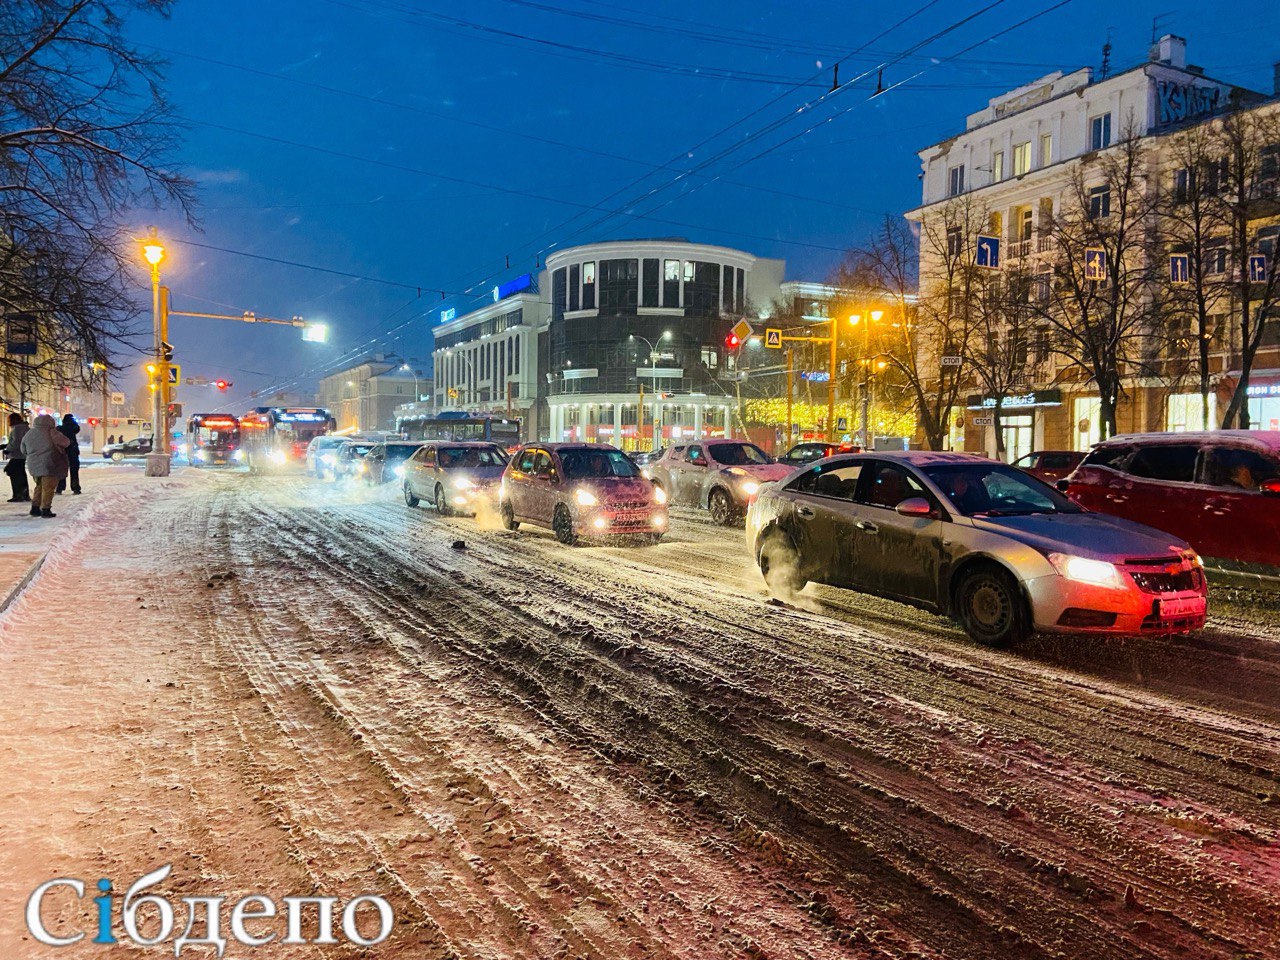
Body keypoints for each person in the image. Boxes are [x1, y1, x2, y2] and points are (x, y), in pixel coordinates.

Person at [21, 414, 69, 518]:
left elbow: (23, 449)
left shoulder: (29, 433)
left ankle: (35, 508)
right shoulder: (52, 432)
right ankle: (46, 509)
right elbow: (66, 442)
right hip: (50, 463)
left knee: (39, 486)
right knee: (49, 488)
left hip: (33, 465)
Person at [5, 413, 31, 503]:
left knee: (13, 473)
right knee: (20, 473)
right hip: (22, 454)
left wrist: (8, 449)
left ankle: (18, 494)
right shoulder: (25, 428)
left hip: (17, 454)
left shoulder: (17, 428)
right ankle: (24, 494)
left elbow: (16, 442)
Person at [56, 414, 82, 494]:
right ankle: (75, 487)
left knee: (62, 469)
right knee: (74, 470)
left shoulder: (60, 428)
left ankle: (60, 487)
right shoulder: (73, 427)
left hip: (62, 450)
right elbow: (77, 429)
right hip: (73, 450)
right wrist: (73, 422)